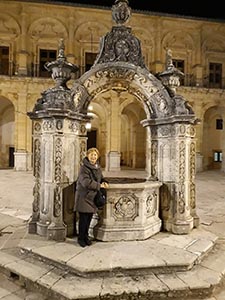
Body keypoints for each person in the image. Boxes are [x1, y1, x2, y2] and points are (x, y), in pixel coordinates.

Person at [74, 147, 109, 247]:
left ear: (97, 156)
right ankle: (81, 239)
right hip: (84, 197)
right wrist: (99, 186)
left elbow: (100, 178)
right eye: (91, 155)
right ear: (87, 156)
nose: (93, 157)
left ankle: (85, 237)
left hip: (91, 197)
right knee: (83, 219)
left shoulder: (97, 167)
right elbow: (85, 182)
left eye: (95, 155)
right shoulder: (84, 168)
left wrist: (105, 181)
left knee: (89, 218)